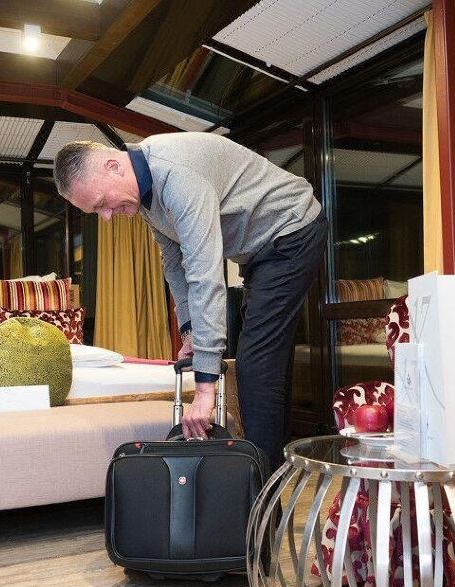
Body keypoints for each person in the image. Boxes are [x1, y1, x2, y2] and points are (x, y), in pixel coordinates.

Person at [53, 133, 326, 470]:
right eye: (97, 212)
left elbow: (204, 275)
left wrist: (204, 388)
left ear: (113, 167)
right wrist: (190, 332)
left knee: (256, 362)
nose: (106, 216)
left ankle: (260, 490)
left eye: (101, 203)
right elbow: (174, 262)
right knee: (265, 362)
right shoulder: (146, 196)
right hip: (260, 253)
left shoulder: (177, 174)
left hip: (292, 230)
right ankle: (275, 479)